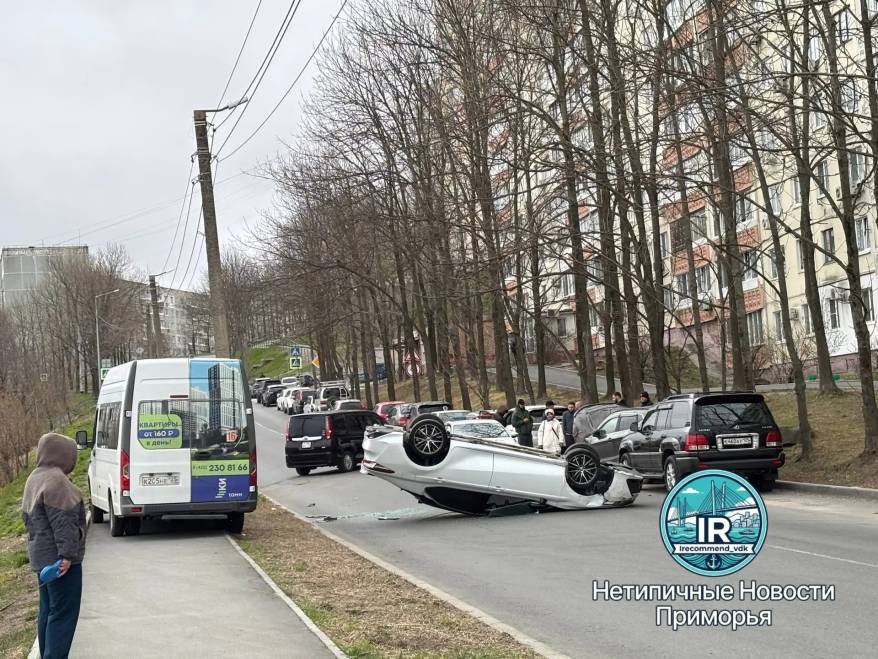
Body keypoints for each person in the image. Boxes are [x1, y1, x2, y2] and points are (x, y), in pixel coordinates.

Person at [22, 433, 87, 659]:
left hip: (41, 559)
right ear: (64, 455)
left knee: (48, 612)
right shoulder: (57, 481)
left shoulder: (34, 478)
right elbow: (64, 524)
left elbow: (29, 520)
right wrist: (67, 556)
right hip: (61, 563)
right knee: (62, 615)